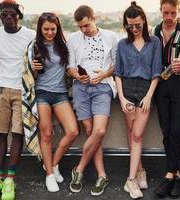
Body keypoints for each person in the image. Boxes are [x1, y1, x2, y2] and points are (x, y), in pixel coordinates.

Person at [0, 0, 35, 200]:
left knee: (17, 134)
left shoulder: (30, 35)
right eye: (5, 14)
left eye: (12, 14)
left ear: (18, 16)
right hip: (2, 88)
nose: (9, 17)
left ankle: (10, 180)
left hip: (22, 89)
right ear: (0, 16)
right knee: (0, 134)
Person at [66, 5, 118, 196]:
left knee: (100, 130)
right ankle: (102, 175)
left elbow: (116, 64)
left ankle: (78, 169)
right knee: (89, 131)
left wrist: (104, 74)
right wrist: (76, 76)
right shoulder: (72, 38)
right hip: (80, 88)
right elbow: (70, 66)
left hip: (102, 86)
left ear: (94, 18)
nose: (83, 30)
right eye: (80, 27)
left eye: (86, 25)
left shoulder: (111, 36)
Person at [114, 2, 162, 199]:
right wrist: (122, 97)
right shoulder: (122, 45)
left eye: (137, 25)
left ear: (144, 22)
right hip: (127, 90)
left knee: (137, 135)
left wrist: (149, 96)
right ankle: (140, 172)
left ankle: (130, 179)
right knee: (133, 134)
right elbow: (117, 73)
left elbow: (156, 72)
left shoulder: (155, 42)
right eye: (130, 25)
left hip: (145, 90)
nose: (133, 29)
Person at [28, 12, 79, 192]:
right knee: (47, 133)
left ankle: (53, 164)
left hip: (60, 94)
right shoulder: (34, 46)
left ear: (57, 29)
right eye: (46, 29)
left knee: (72, 131)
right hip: (41, 93)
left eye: (53, 29)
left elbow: (70, 68)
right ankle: (50, 175)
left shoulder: (63, 46)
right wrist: (33, 69)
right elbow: (29, 77)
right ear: (40, 29)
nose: (49, 32)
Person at [153, 0, 180, 198]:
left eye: (173, 13)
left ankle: (169, 175)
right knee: (166, 130)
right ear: (160, 11)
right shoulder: (154, 32)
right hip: (160, 85)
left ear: (179, 11)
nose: (169, 17)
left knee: (177, 130)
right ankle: (176, 174)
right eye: (166, 13)